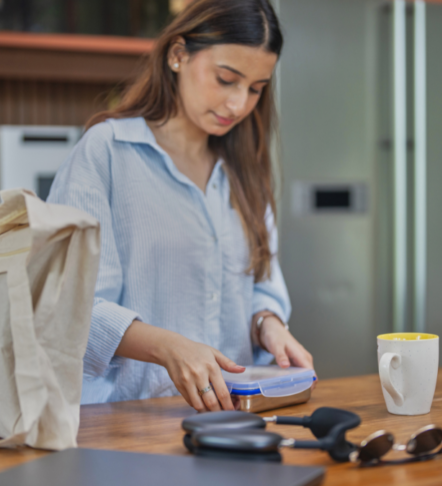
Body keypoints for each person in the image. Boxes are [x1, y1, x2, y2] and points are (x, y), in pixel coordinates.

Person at [47, 0, 313, 413]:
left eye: (256, 88)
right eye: (226, 79)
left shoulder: (244, 171)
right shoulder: (107, 153)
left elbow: (262, 284)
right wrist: (167, 347)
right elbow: (69, 309)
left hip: (231, 421)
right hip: (126, 422)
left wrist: (269, 325)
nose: (239, 104)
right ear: (177, 55)